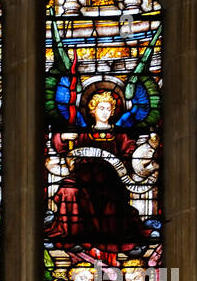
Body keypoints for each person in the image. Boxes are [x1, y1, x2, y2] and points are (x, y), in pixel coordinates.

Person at [45, 88, 156, 255]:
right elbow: (60, 149)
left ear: (112, 112)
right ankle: (72, 237)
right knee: (68, 191)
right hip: (81, 177)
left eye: (108, 109)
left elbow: (131, 157)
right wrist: (64, 138)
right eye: (101, 108)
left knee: (109, 200)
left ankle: (112, 240)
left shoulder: (120, 136)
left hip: (110, 180)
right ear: (93, 109)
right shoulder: (82, 134)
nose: (105, 112)